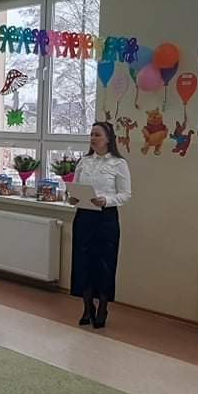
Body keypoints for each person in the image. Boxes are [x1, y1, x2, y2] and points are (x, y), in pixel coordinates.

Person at [69, 120, 132, 329]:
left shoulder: (118, 163)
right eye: (91, 134)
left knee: (104, 263)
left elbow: (125, 194)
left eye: (97, 135)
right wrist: (72, 198)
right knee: (83, 262)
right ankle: (87, 307)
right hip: (84, 216)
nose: (93, 138)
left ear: (108, 139)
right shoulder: (84, 161)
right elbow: (75, 188)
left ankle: (103, 307)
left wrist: (106, 200)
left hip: (106, 219)